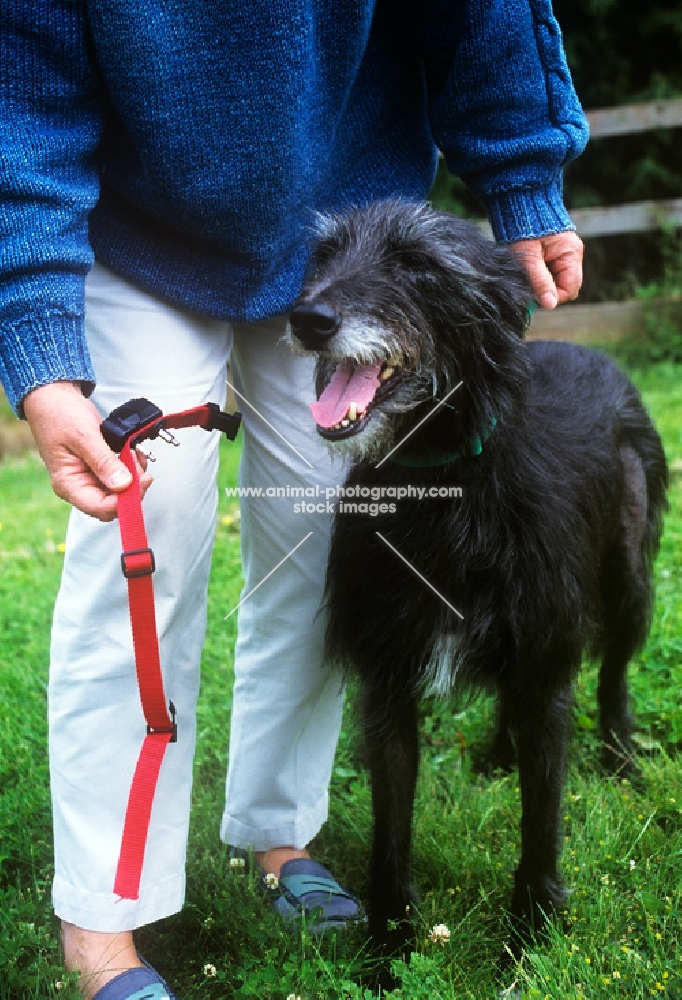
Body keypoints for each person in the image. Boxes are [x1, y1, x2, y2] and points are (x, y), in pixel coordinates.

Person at [0, 1, 587, 997]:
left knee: (324, 539)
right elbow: (22, 95)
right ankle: (103, 925)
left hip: (344, 238)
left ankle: (279, 834)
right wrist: (37, 336)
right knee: (141, 539)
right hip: (134, 236)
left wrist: (522, 174)